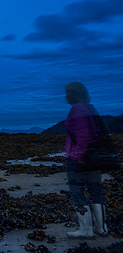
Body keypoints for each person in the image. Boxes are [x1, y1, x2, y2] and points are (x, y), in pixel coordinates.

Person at [64, 82, 108, 239]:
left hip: (79, 159)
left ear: (75, 94)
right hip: (95, 157)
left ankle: (86, 229)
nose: (66, 95)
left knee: (77, 193)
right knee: (96, 190)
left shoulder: (77, 109)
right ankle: (101, 228)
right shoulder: (90, 108)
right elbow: (95, 133)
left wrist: (79, 156)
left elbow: (83, 135)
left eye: (68, 93)